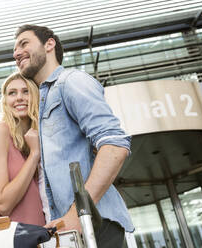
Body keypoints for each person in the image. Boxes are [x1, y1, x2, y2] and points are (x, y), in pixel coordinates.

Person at [13, 24, 134, 247]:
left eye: (24, 43)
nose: (16, 53)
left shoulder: (71, 81)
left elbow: (115, 144)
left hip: (95, 226)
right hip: (72, 231)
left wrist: (79, 214)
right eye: (15, 48)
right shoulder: (43, 99)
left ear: (49, 44)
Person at [0, 72, 45, 226]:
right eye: (12, 93)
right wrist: (34, 155)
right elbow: (3, 205)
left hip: (41, 236)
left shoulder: (35, 138)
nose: (19, 97)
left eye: (26, 91)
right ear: (5, 101)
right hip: (12, 238)